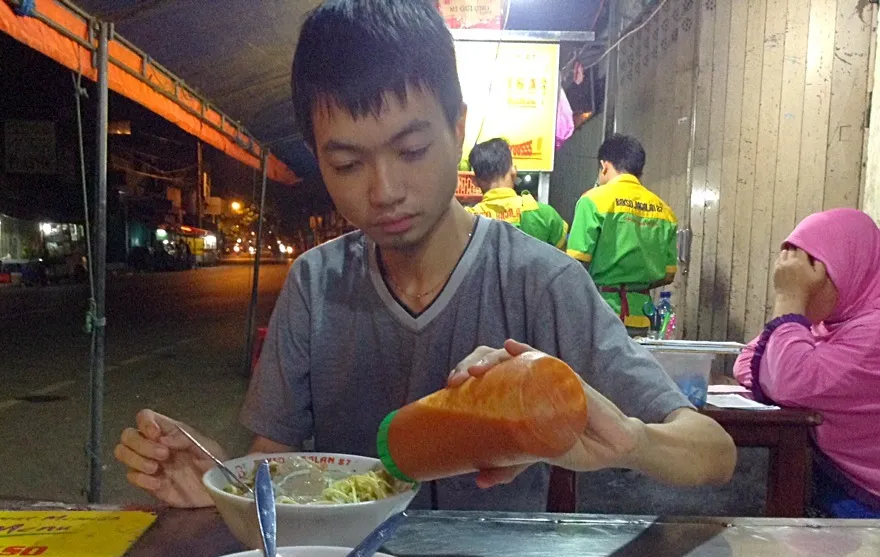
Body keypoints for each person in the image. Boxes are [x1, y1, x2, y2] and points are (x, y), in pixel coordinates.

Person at [114, 0, 735, 511]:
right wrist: (219, 487)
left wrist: (628, 441)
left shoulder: (543, 283)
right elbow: (273, 457)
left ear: (457, 128)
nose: (383, 190)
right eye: (347, 163)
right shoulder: (315, 283)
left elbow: (711, 451)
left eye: (411, 150)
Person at [734, 209, 880, 518]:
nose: (800, 286)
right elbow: (748, 361)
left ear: (849, 268)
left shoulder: (873, 333)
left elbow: (787, 381)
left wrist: (789, 298)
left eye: (808, 275)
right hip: (832, 482)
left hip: (866, 502)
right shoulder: (833, 322)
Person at [566, 134, 678, 334]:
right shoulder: (664, 211)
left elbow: (576, 264)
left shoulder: (593, 201)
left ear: (605, 165)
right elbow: (668, 274)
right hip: (643, 319)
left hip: (601, 315)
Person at [465, 138, 568, 248]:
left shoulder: (466, 220)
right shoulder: (545, 215)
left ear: (475, 182)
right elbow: (564, 257)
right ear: (513, 171)